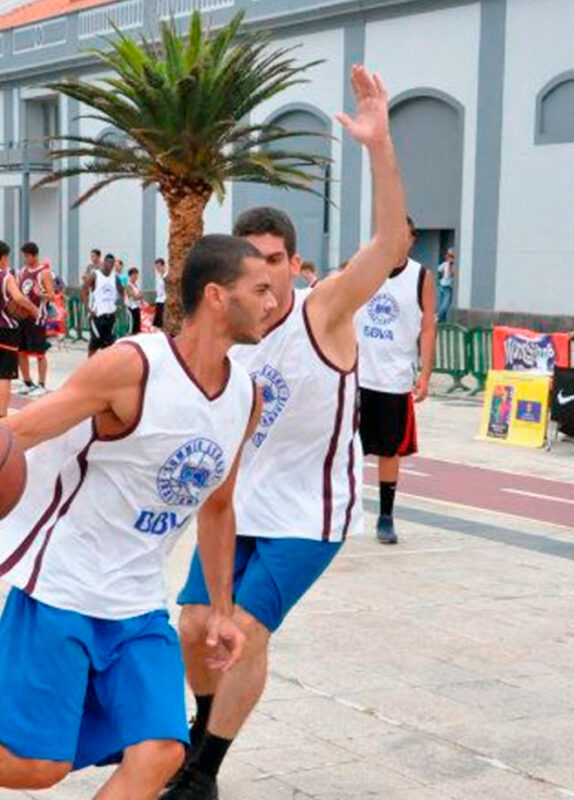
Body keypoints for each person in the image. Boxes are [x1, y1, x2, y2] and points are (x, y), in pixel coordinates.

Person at [167, 64, 408, 800]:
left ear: (296, 263)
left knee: (244, 630)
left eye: (278, 262)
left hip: (309, 513)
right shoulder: (235, 326)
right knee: (193, 627)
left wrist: (379, 144)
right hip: (237, 507)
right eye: (254, 266)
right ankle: (203, 732)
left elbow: (390, 242)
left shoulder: (323, 310)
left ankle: (202, 772)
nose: (268, 280)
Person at [0, 234, 274, 797]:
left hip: (139, 603)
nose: (275, 301)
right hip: (62, 592)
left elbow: (218, 505)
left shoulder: (246, 395)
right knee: (38, 768)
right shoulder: (131, 367)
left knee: (162, 752)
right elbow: (19, 433)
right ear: (218, 296)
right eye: (262, 288)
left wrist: (221, 610)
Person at [357, 215, 437, 544]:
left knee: (389, 450)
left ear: (411, 239)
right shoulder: (364, 267)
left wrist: (426, 373)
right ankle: (340, 509)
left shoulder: (421, 277)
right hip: (357, 375)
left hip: (394, 379)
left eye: (402, 235)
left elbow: (429, 326)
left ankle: (386, 515)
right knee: (346, 448)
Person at [0, 241, 37, 418]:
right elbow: (18, 298)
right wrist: (32, 308)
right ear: (4, 257)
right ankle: (2, 416)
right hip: (6, 329)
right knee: (4, 375)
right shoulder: (6, 276)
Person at [16, 241, 54, 398]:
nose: (25, 259)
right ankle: (27, 382)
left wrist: (41, 294)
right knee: (21, 351)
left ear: (35, 255)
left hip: (37, 317)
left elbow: (52, 295)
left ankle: (42, 384)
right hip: (22, 316)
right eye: (24, 256)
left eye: (27, 256)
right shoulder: (23, 271)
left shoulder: (44, 273)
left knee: (40, 352)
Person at [84, 253, 124, 357]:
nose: (110, 265)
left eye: (112, 263)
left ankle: (105, 368)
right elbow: (84, 290)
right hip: (97, 315)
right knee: (95, 342)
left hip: (110, 315)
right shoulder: (95, 275)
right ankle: (90, 367)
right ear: (104, 262)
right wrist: (87, 308)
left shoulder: (115, 278)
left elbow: (121, 292)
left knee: (109, 343)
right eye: (108, 262)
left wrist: (119, 305)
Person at [436, 248, 455, 323]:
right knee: (441, 305)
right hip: (441, 285)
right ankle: (442, 322)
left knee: (445, 306)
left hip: (448, 287)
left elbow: (451, 274)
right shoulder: (445, 264)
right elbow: (439, 270)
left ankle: (437, 317)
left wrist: (450, 265)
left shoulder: (454, 265)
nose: (450, 258)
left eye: (451, 257)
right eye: (449, 257)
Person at [126, 267, 143, 335]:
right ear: (130, 276)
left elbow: (140, 296)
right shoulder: (128, 285)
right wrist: (139, 295)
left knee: (137, 327)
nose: (136, 276)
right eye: (134, 275)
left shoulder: (136, 285)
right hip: (132, 308)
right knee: (132, 327)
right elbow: (135, 297)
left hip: (137, 307)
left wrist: (140, 296)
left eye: (137, 275)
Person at [154, 257, 168, 329]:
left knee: (164, 321)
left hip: (165, 300)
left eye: (158, 266)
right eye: (156, 267)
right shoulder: (158, 277)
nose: (157, 269)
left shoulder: (167, 276)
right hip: (158, 300)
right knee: (158, 323)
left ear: (163, 265)